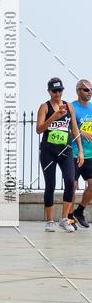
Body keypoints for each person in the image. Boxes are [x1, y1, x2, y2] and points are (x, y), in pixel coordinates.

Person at [36, 77, 83, 232]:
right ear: (49, 91)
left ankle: (64, 219)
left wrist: (80, 151)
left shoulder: (69, 106)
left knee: (71, 182)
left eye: (60, 90)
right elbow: (39, 129)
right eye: (54, 91)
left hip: (65, 150)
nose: (57, 93)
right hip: (48, 151)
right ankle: (49, 221)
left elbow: (75, 129)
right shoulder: (44, 107)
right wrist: (53, 118)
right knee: (50, 184)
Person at [68, 79, 92, 229]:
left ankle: (79, 211)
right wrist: (79, 132)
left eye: (91, 89)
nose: (89, 92)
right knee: (73, 185)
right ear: (78, 91)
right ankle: (69, 217)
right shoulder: (72, 107)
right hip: (75, 153)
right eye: (86, 89)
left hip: (90, 154)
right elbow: (66, 129)